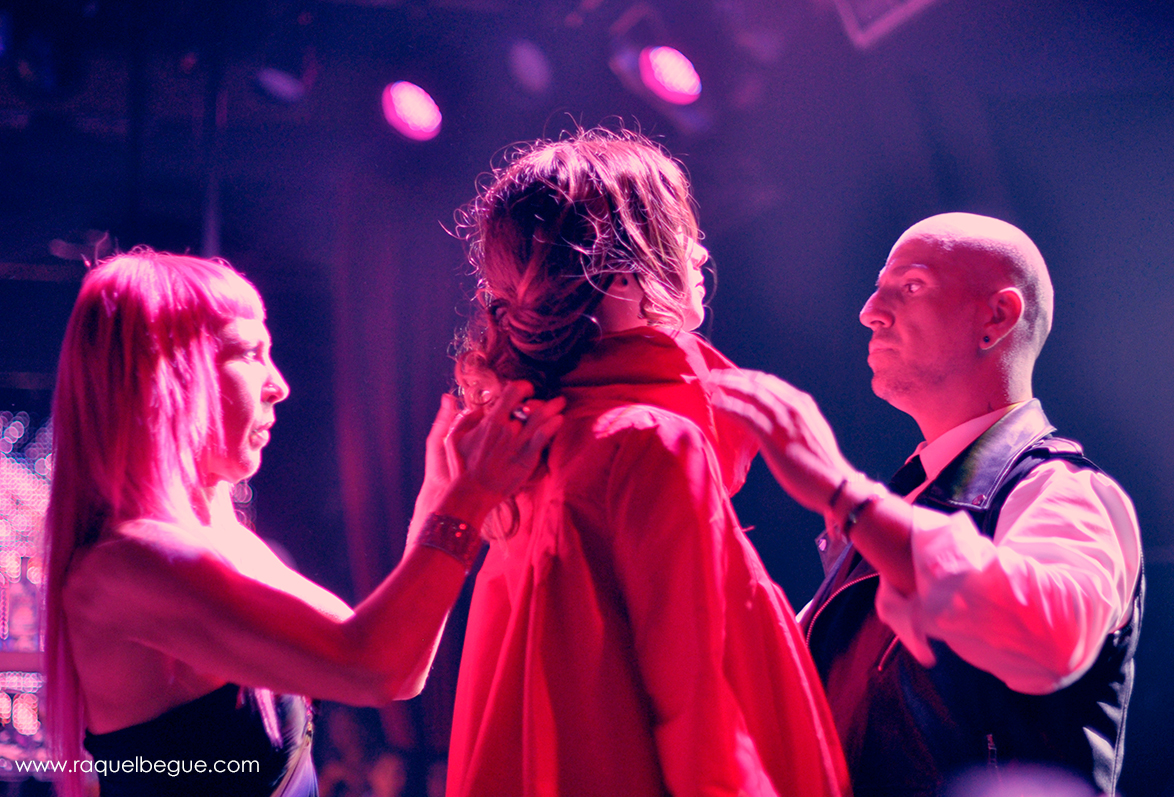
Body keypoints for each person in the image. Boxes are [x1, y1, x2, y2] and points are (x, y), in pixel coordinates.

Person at [45, 249, 564, 797]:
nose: (278, 384)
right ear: (170, 372)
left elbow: (394, 665)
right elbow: (374, 669)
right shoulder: (126, 568)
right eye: (250, 354)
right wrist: (469, 496)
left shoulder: (220, 541)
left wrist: (444, 497)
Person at [442, 129, 850, 797]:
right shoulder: (649, 442)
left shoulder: (527, 449)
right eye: (678, 231)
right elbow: (702, 715)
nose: (700, 251)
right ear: (625, 273)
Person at [710, 213, 1142, 796]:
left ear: (996, 318)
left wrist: (841, 490)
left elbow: (1050, 634)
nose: (870, 310)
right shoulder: (896, 509)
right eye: (878, 286)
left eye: (910, 286)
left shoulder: (1064, 490)